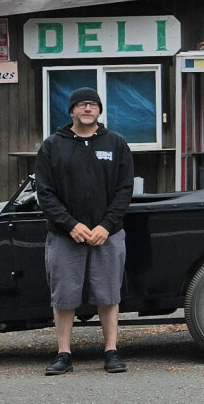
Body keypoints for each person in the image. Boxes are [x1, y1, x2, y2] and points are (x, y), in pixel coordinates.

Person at [33, 87, 136, 373]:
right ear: (72, 111)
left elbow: (124, 190)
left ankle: (111, 352)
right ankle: (64, 354)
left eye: (92, 104)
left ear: (100, 110)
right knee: (64, 296)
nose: (87, 109)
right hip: (65, 236)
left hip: (108, 234)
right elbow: (45, 192)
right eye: (81, 105)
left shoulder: (116, 144)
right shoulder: (53, 145)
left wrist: (106, 225)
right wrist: (70, 224)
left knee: (108, 295)